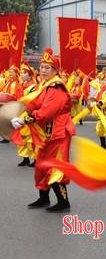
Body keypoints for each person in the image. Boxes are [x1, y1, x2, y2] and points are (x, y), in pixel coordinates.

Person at [10, 48, 75, 212]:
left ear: (55, 70)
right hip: (47, 133)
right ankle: (43, 198)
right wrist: (21, 112)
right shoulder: (44, 86)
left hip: (59, 133)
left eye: (48, 67)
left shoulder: (57, 88)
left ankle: (63, 201)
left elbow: (47, 112)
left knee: (55, 167)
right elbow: (35, 103)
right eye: (42, 67)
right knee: (41, 166)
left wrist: (25, 119)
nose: (43, 70)